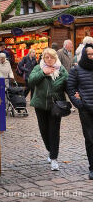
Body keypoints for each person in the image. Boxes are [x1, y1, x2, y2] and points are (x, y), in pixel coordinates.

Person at [28, 48, 68, 171]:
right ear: (43, 58)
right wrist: (43, 73)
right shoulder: (38, 68)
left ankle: (54, 158)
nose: (49, 59)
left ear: (55, 58)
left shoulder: (61, 70)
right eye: (47, 57)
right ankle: (51, 151)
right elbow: (31, 81)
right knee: (44, 130)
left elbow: (68, 83)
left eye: (51, 57)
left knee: (54, 131)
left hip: (55, 106)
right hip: (40, 105)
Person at [67, 43, 93, 180]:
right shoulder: (76, 70)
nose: (92, 57)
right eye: (89, 54)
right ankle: (92, 167)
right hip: (86, 109)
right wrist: (79, 104)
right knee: (90, 139)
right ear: (84, 55)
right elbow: (70, 88)